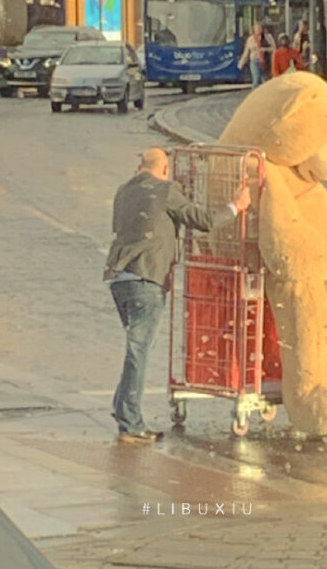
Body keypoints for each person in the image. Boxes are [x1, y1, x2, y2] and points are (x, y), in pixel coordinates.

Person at [104, 148, 251, 442]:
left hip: (118, 278)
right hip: (147, 278)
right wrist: (236, 206)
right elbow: (204, 220)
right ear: (166, 169)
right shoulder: (166, 190)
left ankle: (123, 410)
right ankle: (131, 423)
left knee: (136, 348)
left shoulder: (123, 191)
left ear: (140, 165)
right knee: (139, 351)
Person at [238, 22, 272, 89]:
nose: (258, 30)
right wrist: (241, 63)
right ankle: (254, 95)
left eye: (259, 28)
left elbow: (273, 48)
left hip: (265, 61)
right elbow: (246, 52)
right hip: (254, 60)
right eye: (256, 28)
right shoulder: (250, 39)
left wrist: (265, 49)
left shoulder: (267, 37)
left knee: (265, 80)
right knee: (256, 78)